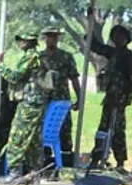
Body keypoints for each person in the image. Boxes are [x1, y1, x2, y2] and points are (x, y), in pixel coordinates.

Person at [89, 23, 132, 169]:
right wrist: (90, 26)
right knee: (103, 129)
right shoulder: (113, 53)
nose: (117, 39)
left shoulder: (129, 57)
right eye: (115, 37)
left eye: (121, 37)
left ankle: (120, 162)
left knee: (117, 131)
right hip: (110, 99)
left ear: (126, 39)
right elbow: (96, 47)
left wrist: (127, 98)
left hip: (120, 100)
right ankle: (96, 158)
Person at [0, 32, 43, 177]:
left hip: (30, 103)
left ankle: (14, 171)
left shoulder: (31, 56)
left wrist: (0, 65)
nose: (21, 42)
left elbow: (15, 76)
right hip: (32, 102)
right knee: (33, 139)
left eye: (24, 39)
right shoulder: (31, 56)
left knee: (18, 136)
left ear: (32, 41)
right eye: (19, 40)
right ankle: (35, 172)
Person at [37, 26, 81, 168]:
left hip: (62, 99)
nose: (52, 39)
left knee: (65, 129)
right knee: (44, 130)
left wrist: (80, 98)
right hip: (44, 100)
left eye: (55, 36)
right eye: (49, 36)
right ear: (45, 38)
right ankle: (45, 161)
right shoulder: (39, 58)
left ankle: (66, 161)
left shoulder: (66, 57)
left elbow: (74, 78)